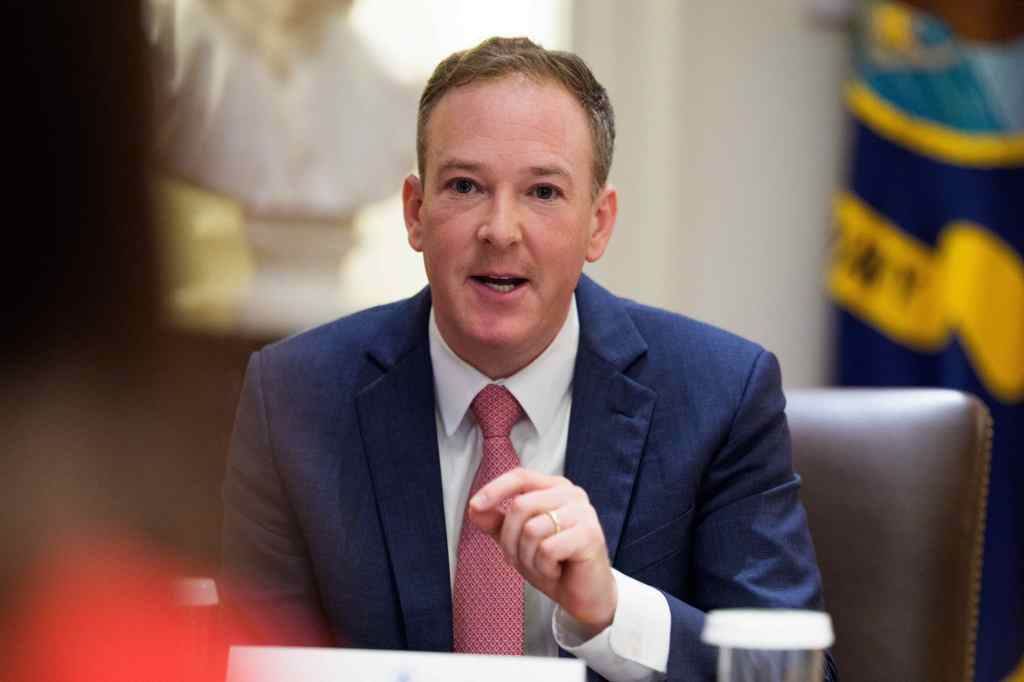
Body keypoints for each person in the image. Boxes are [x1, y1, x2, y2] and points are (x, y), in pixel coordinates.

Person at [222, 36, 837, 682]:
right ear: (415, 212)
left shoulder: (721, 396)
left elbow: (795, 674)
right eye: (465, 186)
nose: (500, 230)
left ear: (598, 223)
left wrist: (612, 612)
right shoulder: (292, 400)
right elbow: (244, 665)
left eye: (542, 193)